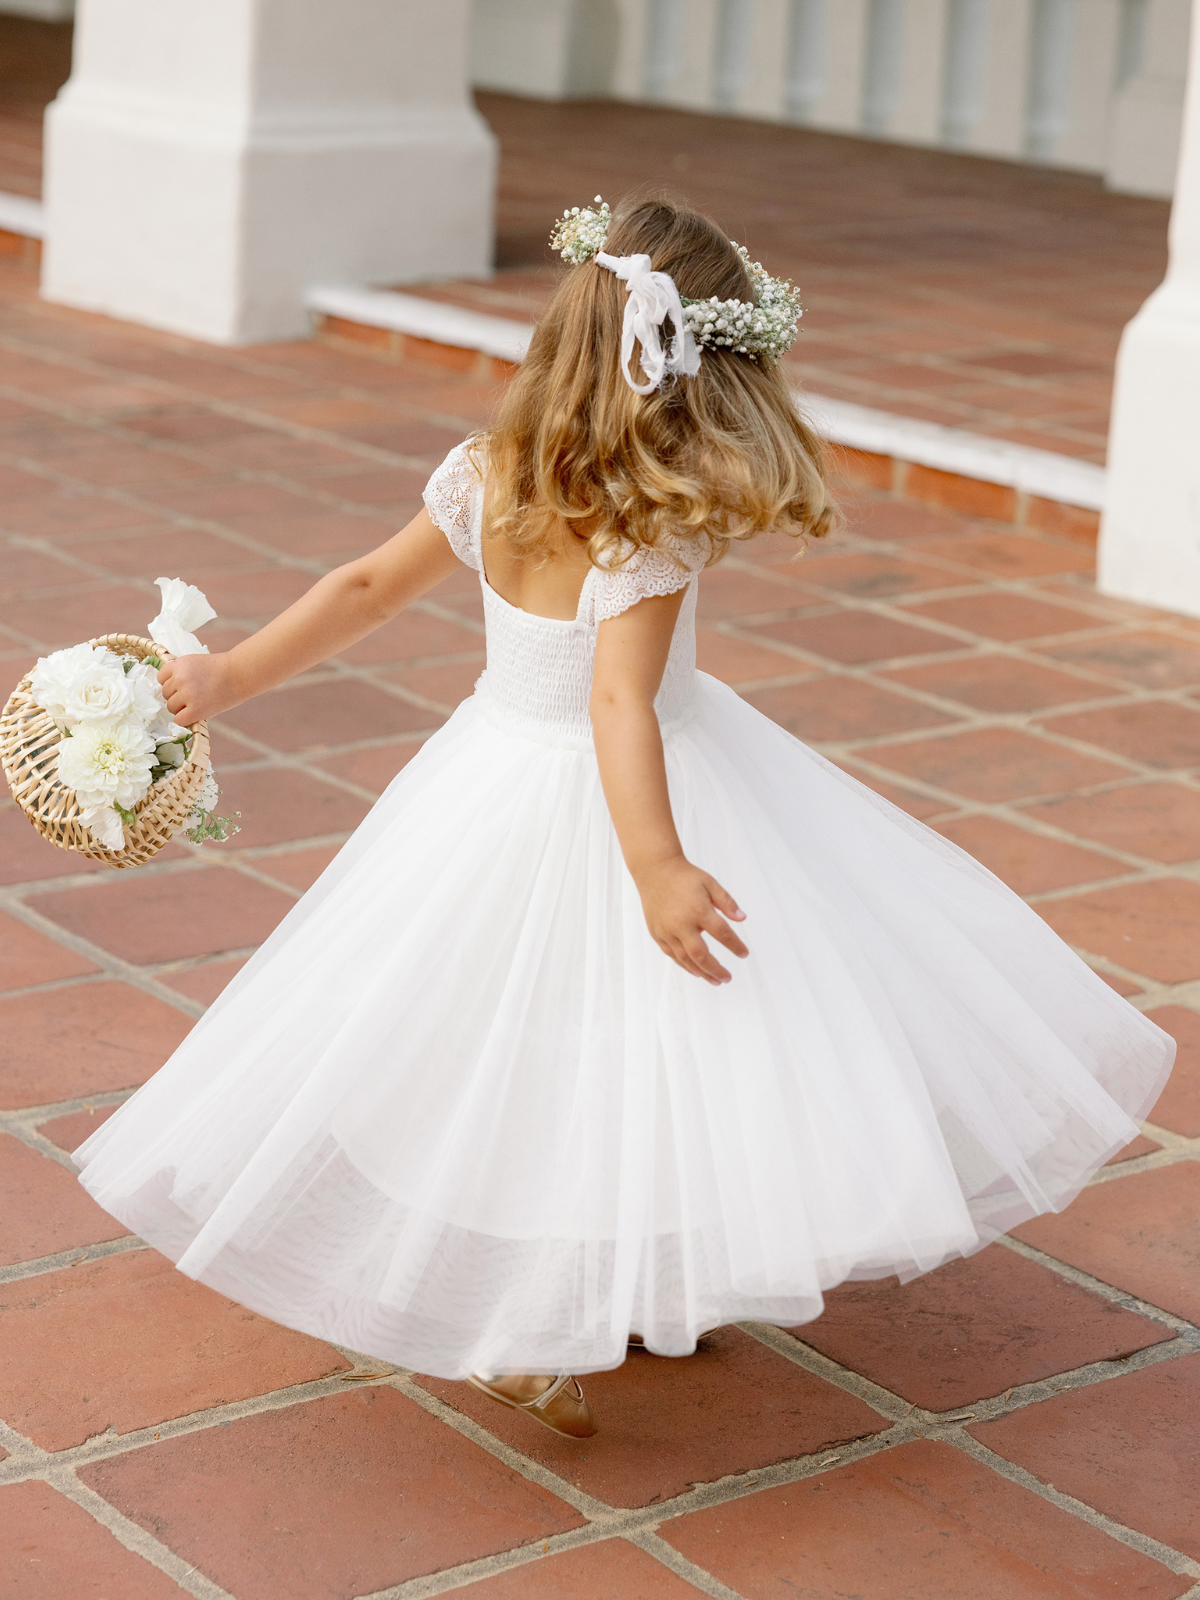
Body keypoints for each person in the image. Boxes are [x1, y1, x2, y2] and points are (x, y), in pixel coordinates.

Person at [73, 195, 1174, 1441]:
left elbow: (366, 585)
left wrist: (230, 677)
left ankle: (618, 1273)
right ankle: (530, 1316)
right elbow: (617, 702)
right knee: (645, 1042)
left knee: (521, 1035)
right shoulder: (653, 520)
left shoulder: (488, 470)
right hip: (632, 786)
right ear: (703, 375)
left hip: (487, 772)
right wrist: (655, 864)